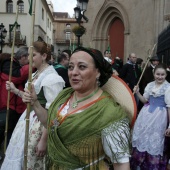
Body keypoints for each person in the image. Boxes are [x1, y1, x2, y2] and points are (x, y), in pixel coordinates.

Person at [22, 47, 131, 170]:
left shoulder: (109, 112)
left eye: (82, 67)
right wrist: (35, 102)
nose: (73, 72)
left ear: (98, 72)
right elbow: (50, 124)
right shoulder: (64, 96)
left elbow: (121, 164)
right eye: (70, 67)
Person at [1, 41, 65, 170]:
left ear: (44, 56)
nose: (30, 58)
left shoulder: (52, 78)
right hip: (27, 120)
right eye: (29, 55)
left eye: (34, 55)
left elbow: (54, 113)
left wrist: (44, 140)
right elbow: (29, 98)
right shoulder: (36, 74)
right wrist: (15, 90)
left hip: (40, 126)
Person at [131, 64, 170, 170]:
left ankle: (152, 165)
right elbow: (144, 100)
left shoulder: (168, 87)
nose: (160, 76)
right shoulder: (150, 85)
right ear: (154, 74)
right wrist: (138, 92)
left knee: (155, 139)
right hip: (146, 115)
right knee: (143, 137)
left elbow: (169, 107)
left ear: (166, 75)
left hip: (159, 117)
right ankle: (139, 164)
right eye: (158, 74)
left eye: (162, 74)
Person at [0, 47, 29, 147]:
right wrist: (32, 65)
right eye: (30, 57)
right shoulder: (9, 64)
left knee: (11, 136)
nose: (30, 60)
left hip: (15, 108)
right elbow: (18, 76)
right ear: (23, 57)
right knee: (8, 135)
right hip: (8, 107)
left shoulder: (15, 65)